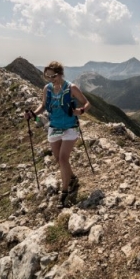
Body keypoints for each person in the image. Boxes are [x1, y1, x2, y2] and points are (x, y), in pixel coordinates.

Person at [25, 61, 91, 208]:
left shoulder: (71, 88)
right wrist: (33, 114)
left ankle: (65, 191)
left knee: (62, 158)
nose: (50, 79)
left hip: (70, 127)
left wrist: (80, 111)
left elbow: (87, 103)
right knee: (58, 159)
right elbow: (43, 105)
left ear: (60, 73)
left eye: (53, 76)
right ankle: (72, 177)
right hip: (54, 127)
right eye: (47, 76)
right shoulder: (47, 89)